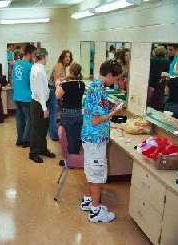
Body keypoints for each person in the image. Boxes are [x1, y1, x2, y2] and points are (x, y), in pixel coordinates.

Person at [80, 60, 124, 223]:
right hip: (95, 139)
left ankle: (88, 201)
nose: (117, 82)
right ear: (110, 75)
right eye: (116, 78)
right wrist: (114, 112)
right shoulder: (98, 90)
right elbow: (96, 120)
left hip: (90, 138)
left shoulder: (96, 87)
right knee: (97, 175)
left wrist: (113, 108)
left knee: (91, 171)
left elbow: (99, 108)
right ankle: (95, 212)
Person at [29, 48, 56, 163]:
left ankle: (42, 149)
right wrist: (44, 108)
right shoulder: (38, 70)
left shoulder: (37, 68)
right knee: (37, 129)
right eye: (47, 57)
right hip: (39, 103)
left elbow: (42, 87)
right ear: (44, 57)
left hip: (41, 102)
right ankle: (33, 153)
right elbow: (40, 90)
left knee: (43, 128)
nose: (47, 59)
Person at [55, 63, 85, 154]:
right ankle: (74, 155)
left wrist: (58, 85)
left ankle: (69, 158)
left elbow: (57, 96)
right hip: (78, 113)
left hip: (67, 113)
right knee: (76, 136)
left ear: (70, 71)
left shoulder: (65, 85)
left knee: (67, 136)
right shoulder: (82, 84)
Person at [12, 44, 36, 148]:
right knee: (29, 120)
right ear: (29, 54)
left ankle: (19, 139)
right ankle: (26, 140)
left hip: (17, 96)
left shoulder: (16, 64)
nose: (34, 57)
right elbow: (32, 83)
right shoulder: (30, 66)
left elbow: (13, 80)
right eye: (34, 55)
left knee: (20, 119)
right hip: (26, 97)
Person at [49, 50, 73, 141]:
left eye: (69, 57)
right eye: (66, 56)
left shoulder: (63, 67)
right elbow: (57, 81)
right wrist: (67, 78)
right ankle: (54, 135)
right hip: (52, 91)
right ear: (62, 57)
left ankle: (55, 133)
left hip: (55, 90)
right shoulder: (59, 65)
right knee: (54, 114)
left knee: (55, 113)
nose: (68, 58)